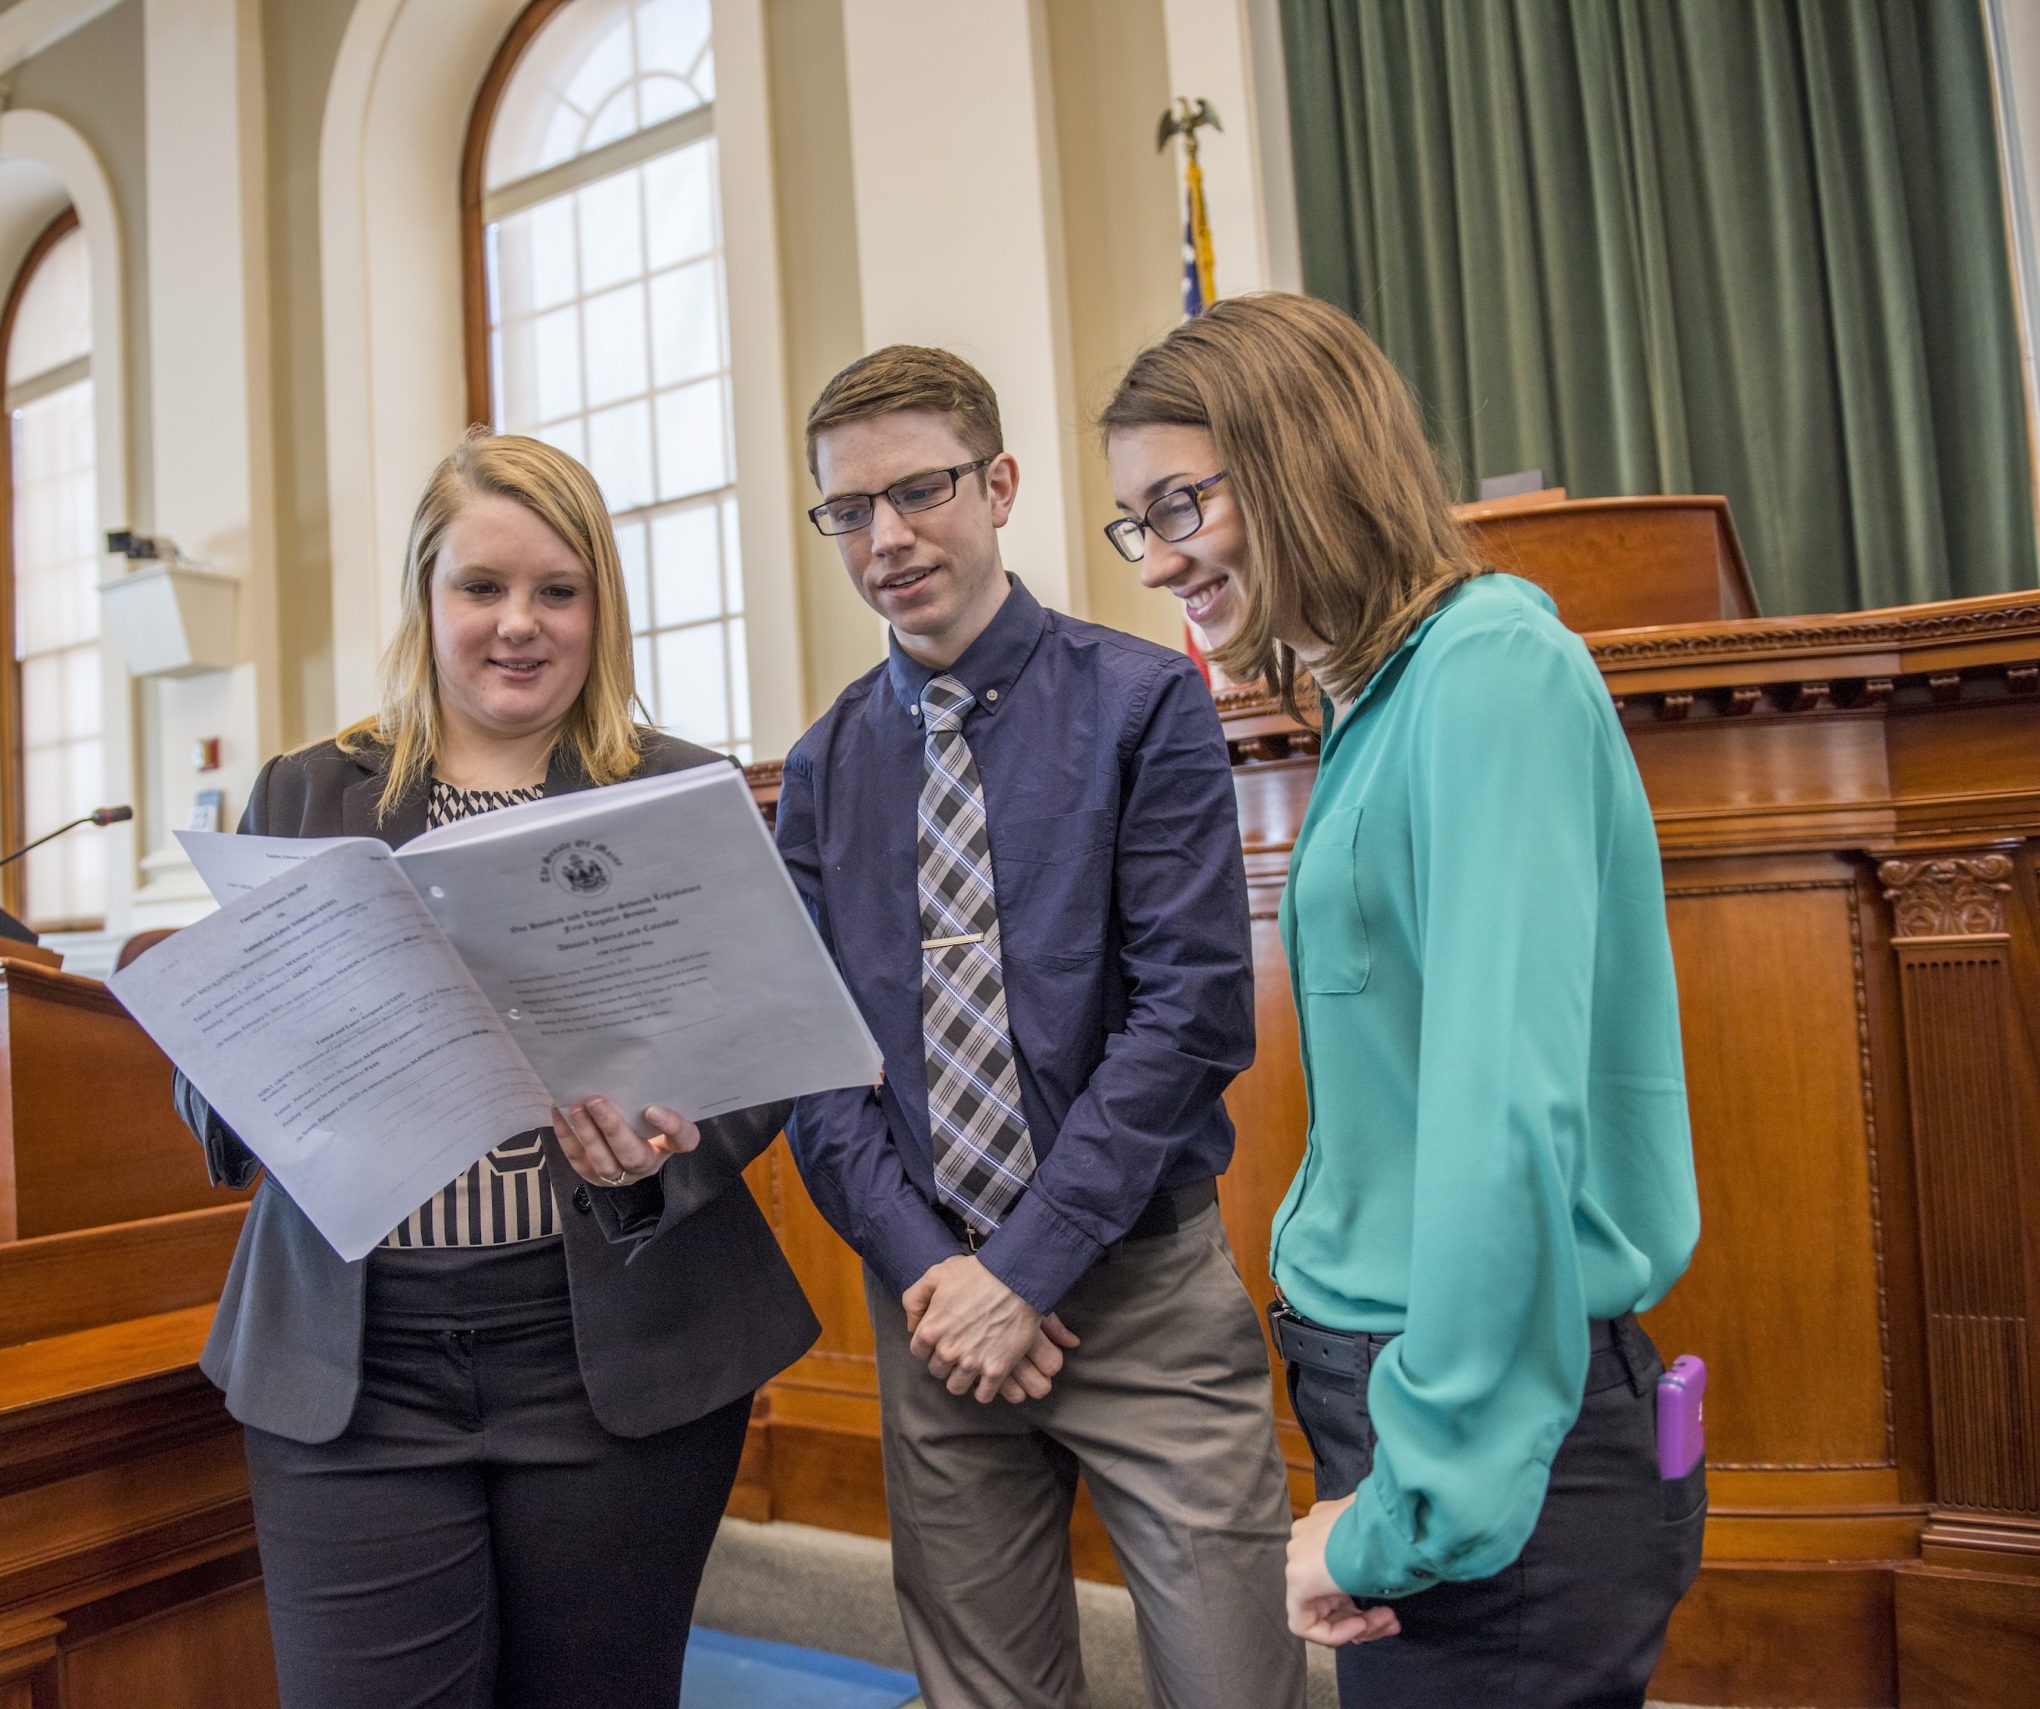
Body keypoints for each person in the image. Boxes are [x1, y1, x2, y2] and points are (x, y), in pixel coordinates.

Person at [1098, 292, 1705, 1708]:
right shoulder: (1381, 696)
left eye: (1181, 502)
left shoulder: (1491, 671)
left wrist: (1408, 1511)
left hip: (1485, 1441)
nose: (1158, 558)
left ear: (1304, 456)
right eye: (1141, 521)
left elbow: (1506, 1131)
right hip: (1403, 1402)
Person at [172, 431, 818, 1709]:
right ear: (428, 596)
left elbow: (758, 1047)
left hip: (609, 1353)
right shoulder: (307, 791)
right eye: (482, 587)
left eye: (556, 591)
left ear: (599, 610)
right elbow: (218, 1046)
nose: (518, 625)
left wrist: (656, 1159)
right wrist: (244, 1077)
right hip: (360, 1369)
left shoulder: (679, 790)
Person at [774, 345, 1306, 1709]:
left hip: (1138, 1294)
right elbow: (813, 1055)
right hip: (936, 1310)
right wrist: (941, 1274)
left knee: (1237, 1686)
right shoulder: (827, 764)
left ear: (999, 485)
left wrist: (1030, 1265)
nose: (887, 538)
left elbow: (1189, 1014)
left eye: (923, 491)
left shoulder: (1144, 702)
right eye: (850, 510)